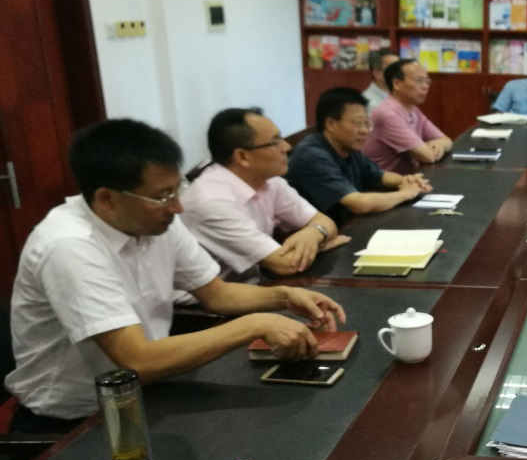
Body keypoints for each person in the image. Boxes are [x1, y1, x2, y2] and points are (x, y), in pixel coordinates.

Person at [4, 119, 346, 431]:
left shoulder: (154, 219)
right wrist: (254, 325)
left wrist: (283, 296)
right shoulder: (69, 246)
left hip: (150, 394)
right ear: (107, 199)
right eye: (162, 196)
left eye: (176, 189)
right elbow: (137, 360)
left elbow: (217, 294)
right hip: (75, 424)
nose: (177, 207)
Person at [181, 107, 350, 280]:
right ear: (242, 156)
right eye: (275, 142)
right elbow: (286, 264)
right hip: (211, 295)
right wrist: (320, 242)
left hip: (252, 283)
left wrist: (313, 233)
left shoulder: (269, 180)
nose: (287, 147)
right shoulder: (212, 202)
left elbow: (325, 222)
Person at [287, 87, 431, 225]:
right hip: (320, 234)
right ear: (331, 124)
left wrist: (407, 180)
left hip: (347, 224)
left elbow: (379, 176)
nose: (364, 131)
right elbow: (357, 203)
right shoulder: (311, 155)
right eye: (357, 123)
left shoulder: (347, 145)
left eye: (366, 123)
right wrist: (405, 194)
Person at [364, 60, 454, 173]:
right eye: (419, 81)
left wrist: (437, 145)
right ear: (396, 84)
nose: (425, 86)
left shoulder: (412, 109)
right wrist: (433, 147)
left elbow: (447, 140)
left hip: (408, 177)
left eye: (427, 81)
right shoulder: (387, 114)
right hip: (384, 182)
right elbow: (428, 156)